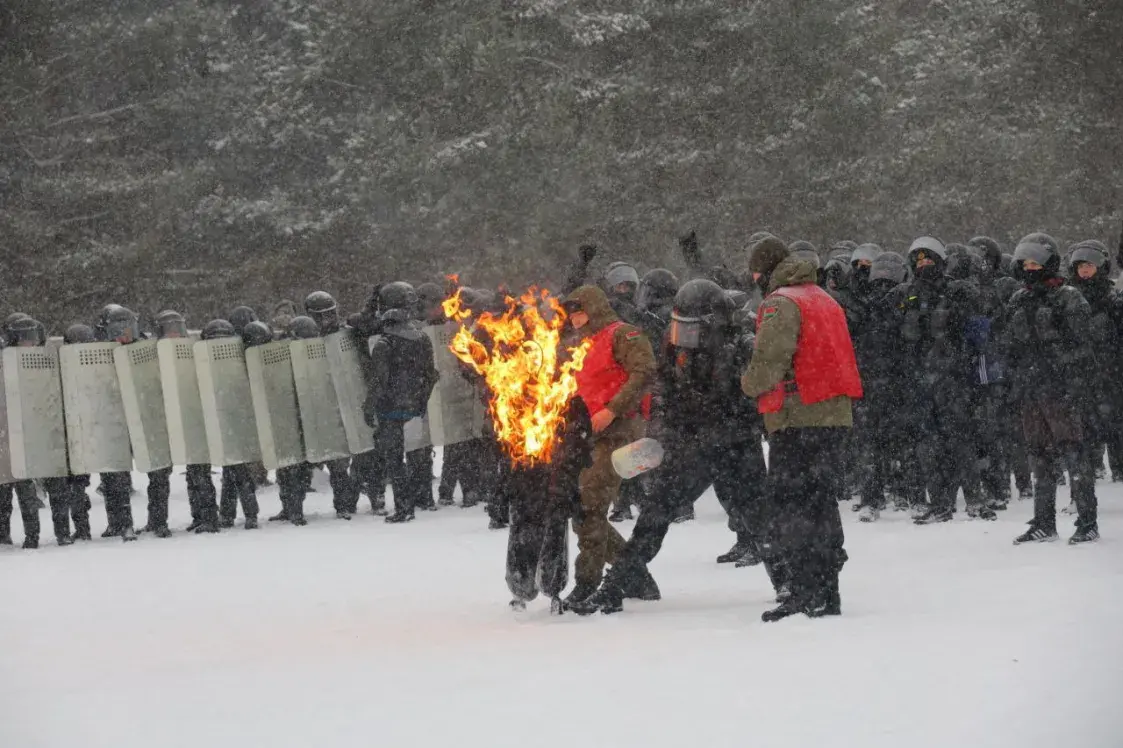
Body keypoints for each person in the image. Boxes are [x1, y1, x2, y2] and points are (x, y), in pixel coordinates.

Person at [569, 279, 767, 616]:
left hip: (735, 446)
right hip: (693, 446)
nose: (684, 339)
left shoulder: (740, 347)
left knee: (762, 520)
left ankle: (791, 581)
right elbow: (664, 390)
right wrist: (667, 432)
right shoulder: (677, 348)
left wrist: (726, 425)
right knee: (653, 518)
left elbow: (753, 398)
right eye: (681, 330)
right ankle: (615, 587)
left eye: (691, 331)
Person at [740, 236, 861, 621]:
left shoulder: (780, 303)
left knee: (792, 504)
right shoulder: (824, 298)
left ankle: (805, 590)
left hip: (798, 415)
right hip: (833, 414)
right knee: (820, 501)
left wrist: (745, 384)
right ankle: (827, 591)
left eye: (756, 271)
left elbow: (770, 362)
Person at [558, 285, 655, 607]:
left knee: (590, 506)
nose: (574, 318)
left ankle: (588, 583)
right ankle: (634, 574)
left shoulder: (622, 335)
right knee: (584, 511)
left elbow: (643, 372)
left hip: (621, 431)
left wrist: (612, 409)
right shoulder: (581, 344)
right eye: (571, 313)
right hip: (590, 436)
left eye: (579, 310)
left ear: (594, 307)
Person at [1005, 234, 1099, 544]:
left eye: (1035, 263)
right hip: (1031, 390)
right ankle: (1044, 522)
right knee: (1039, 457)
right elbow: (1010, 344)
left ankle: (1087, 522)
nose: (1030, 268)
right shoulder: (1019, 298)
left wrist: (1061, 368)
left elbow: (1085, 346)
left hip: (1061, 390)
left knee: (1074, 453)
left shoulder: (1068, 297)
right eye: (1026, 264)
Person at [364, 282, 440, 524]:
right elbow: (431, 375)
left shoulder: (384, 344)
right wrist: (421, 401)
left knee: (395, 461)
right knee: (418, 456)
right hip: (414, 406)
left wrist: (369, 408)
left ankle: (404, 507)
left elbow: (378, 382)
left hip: (389, 410)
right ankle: (422, 498)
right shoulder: (423, 339)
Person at [302, 291, 361, 519]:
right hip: (317, 402)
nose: (327, 320)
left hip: (345, 401)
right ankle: (293, 507)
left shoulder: (346, 335)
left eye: (329, 315)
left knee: (344, 462)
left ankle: (345, 504)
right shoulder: (303, 339)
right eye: (321, 316)